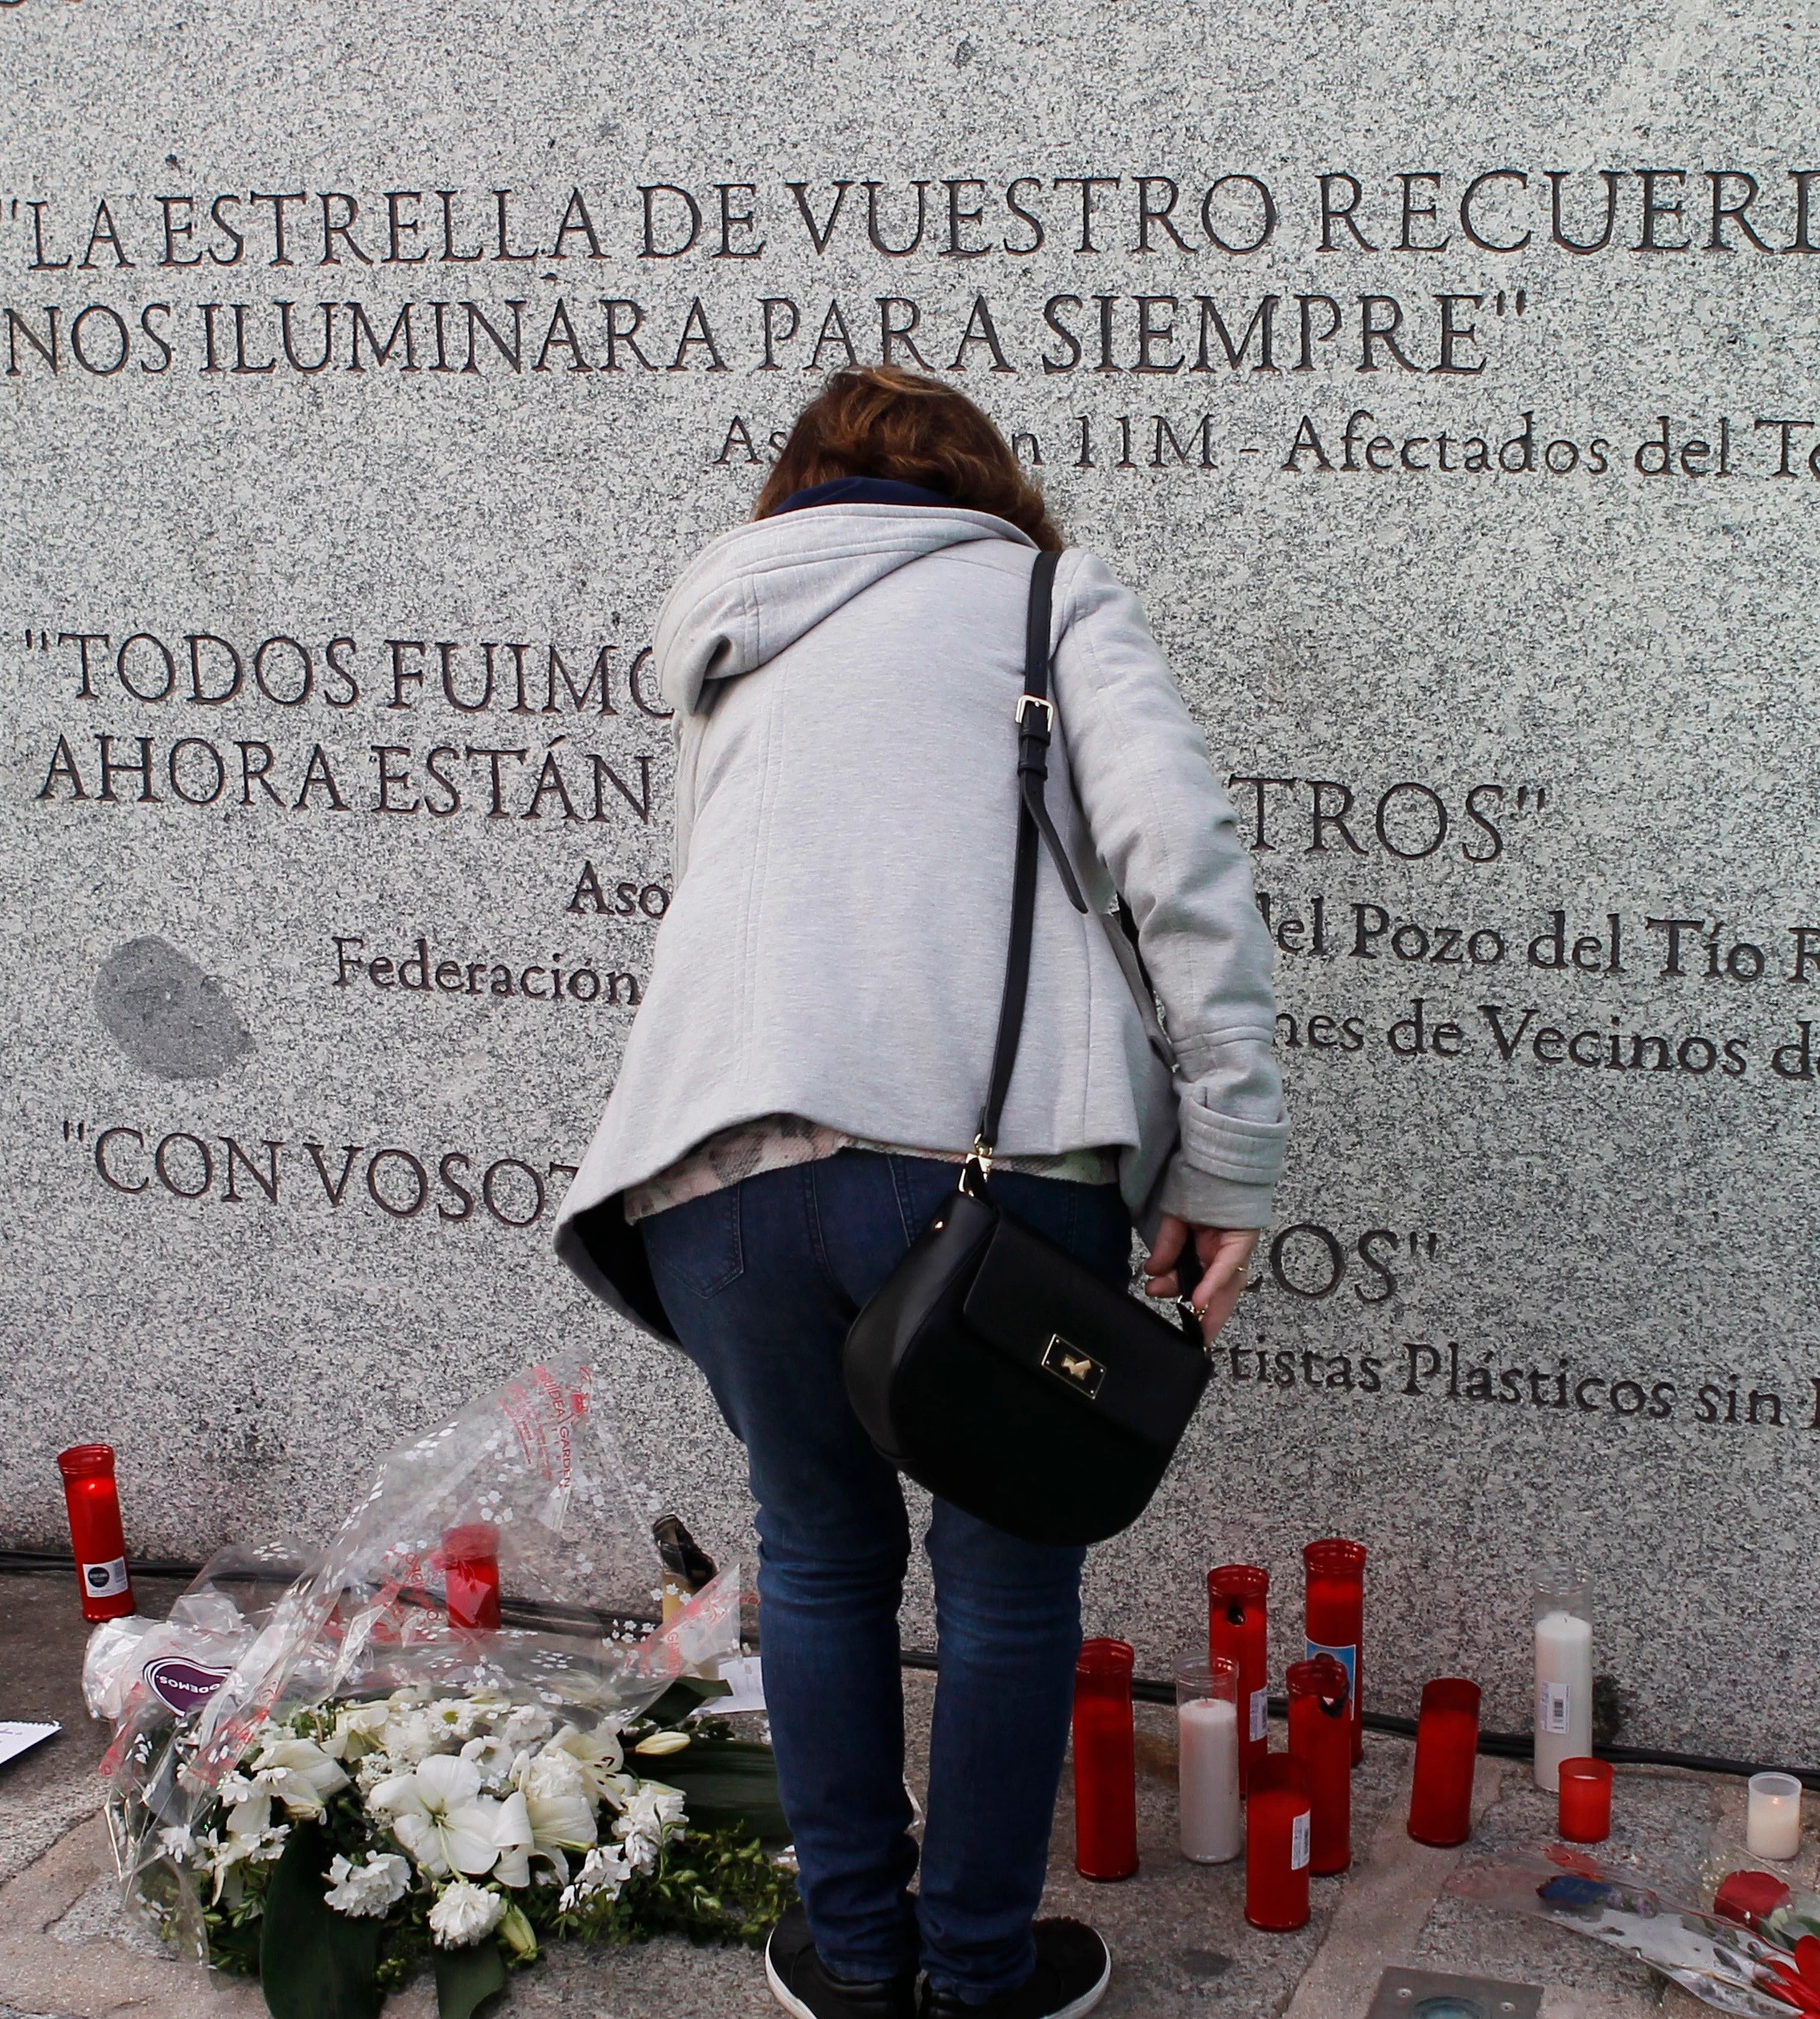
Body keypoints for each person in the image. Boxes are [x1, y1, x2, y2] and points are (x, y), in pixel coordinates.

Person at [553, 366, 1285, 2019]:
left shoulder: (730, 635)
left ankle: (857, 1955)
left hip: (714, 1174)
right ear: (986, 487)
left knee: (814, 1554)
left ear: (795, 492)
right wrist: (1226, 1150)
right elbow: (1181, 858)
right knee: (1009, 1569)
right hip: (987, 1165)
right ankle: (974, 1970)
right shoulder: (1043, 592)